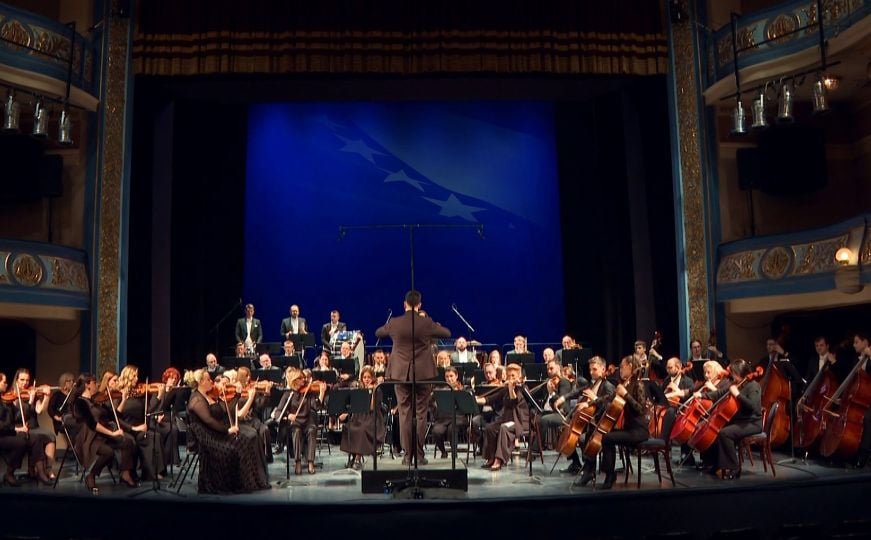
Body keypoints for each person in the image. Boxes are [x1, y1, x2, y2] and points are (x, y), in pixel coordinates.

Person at [375, 290, 451, 465]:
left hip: (401, 374)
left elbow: (378, 332)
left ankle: (408, 456)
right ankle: (419, 455)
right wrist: (430, 327)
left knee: (405, 413)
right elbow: (446, 333)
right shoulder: (426, 323)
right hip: (423, 374)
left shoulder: (395, 323)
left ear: (404, 304)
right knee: (421, 413)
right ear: (420, 305)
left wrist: (392, 329)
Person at [185, 368, 270, 493]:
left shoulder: (208, 395)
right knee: (240, 444)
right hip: (208, 438)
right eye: (208, 379)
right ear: (201, 382)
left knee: (245, 439)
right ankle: (235, 483)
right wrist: (227, 430)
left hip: (215, 432)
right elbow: (209, 421)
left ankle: (246, 481)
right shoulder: (196, 400)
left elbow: (225, 411)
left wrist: (237, 395)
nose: (211, 382)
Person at [579, 355, 648, 489]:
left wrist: (626, 395)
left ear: (630, 366)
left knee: (607, 438)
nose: (620, 370)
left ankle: (610, 475)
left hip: (639, 431)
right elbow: (607, 397)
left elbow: (641, 409)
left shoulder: (638, 384)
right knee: (600, 433)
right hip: (628, 429)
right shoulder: (624, 384)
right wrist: (590, 403)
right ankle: (596, 471)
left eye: (622, 367)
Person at [692, 358, 762, 480]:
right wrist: (702, 395)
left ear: (741, 372)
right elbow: (719, 393)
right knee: (714, 431)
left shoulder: (753, 386)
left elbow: (752, 407)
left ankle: (734, 468)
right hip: (739, 420)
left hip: (752, 422)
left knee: (725, 433)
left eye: (735, 374)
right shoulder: (736, 384)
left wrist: (738, 395)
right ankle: (716, 464)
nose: (733, 377)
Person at [69, 373, 137, 493]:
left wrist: (124, 400)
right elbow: (92, 424)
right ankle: (91, 475)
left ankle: (125, 474)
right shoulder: (80, 403)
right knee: (108, 452)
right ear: (87, 385)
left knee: (127, 441)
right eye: (94, 383)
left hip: (102, 436)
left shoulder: (96, 401)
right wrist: (112, 434)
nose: (97, 385)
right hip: (89, 438)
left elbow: (114, 416)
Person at [554, 356, 614, 474]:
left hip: (600, 424)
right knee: (564, 430)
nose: (591, 372)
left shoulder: (608, 386)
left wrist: (594, 399)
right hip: (588, 422)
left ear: (603, 369)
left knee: (581, 439)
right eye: (590, 369)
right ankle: (576, 463)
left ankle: (588, 470)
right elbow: (577, 391)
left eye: (594, 369)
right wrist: (563, 397)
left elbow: (609, 408)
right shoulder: (593, 384)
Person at [271, 367, 326, 474]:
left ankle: (310, 462)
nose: (304, 380)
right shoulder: (288, 394)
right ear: (294, 381)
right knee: (296, 431)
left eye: (304, 378)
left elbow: (317, 407)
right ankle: (298, 462)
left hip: (308, 421)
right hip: (295, 423)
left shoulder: (308, 393)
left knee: (312, 430)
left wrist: (322, 394)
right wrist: (288, 415)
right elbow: (278, 412)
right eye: (301, 378)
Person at [475, 363, 529, 471]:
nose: (510, 378)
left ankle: (499, 460)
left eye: (513, 376)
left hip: (519, 421)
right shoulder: (505, 389)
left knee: (504, 428)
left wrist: (510, 387)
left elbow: (514, 401)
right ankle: (491, 458)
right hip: (507, 419)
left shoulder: (523, 388)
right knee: (490, 428)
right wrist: (475, 400)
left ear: (519, 377)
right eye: (509, 376)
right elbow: (489, 399)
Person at [11, 368, 56, 484]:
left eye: (27, 380)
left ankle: (48, 468)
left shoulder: (32, 392)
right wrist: (30, 401)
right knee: (39, 437)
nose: (25, 383)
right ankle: (33, 469)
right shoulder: (12, 396)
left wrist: (46, 397)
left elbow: (40, 410)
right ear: (16, 380)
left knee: (50, 435)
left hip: (35, 426)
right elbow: (18, 417)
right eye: (22, 380)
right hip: (22, 427)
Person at [339, 366, 385, 469]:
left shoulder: (377, 390)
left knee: (362, 429)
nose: (367, 379)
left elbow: (372, 408)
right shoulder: (359, 389)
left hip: (372, 418)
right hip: (359, 416)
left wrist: (372, 392)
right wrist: (346, 414)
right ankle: (354, 456)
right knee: (349, 427)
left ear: (373, 378)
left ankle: (357, 458)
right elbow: (355, 405)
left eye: (369, 377)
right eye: (364, 377)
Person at [536, 359, 574, 449]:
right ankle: (538, 445)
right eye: (548, 369)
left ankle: (537, 448)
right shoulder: (549, 381)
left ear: (558, 367)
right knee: (534, 416)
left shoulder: (564, 382)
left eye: (551, 368)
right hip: (549, 411)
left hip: (562, 414)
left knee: (544, 420)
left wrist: (552, 392)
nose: (549, 371)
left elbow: (561, 403)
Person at [0, 372, 28, 487]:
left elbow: (15, 416)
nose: (7, 385)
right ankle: (9, 471)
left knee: (24, 439)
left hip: (5, 433)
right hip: (2, 434)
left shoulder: (4, 399)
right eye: (4, 382)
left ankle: (9, 472)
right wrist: (16, 429)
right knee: (20, 443)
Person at [431, 366, 466, 459]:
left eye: (451, 376)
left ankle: (454, 453)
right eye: (447, 377)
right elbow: (430, 401)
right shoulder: (441, 390)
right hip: (443, 418)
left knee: (452, 429)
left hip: (458, 418)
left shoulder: (463, 389)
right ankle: (443, 452)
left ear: (456, 376)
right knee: (436, 431)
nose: (449, 379)